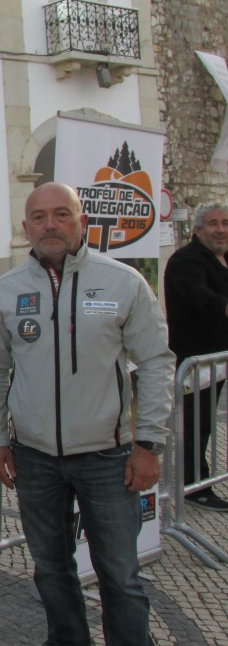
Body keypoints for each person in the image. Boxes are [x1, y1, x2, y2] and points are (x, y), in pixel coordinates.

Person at [0, 182, 175, 646]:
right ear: (25, 227)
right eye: (39, 217)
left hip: (108, 458)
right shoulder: (6, 290)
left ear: (82, 221)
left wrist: (149, 443)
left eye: (62, 214)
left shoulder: (124, 282)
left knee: (120, 574)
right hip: (34, 459)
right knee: (50, 569)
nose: (50, 224)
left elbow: (155, 361)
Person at [163, 201, 228, 511]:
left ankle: (199, 480)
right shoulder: (186, 260)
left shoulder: (223, 257)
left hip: (218, 358)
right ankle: (193, 487)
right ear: (198, 229)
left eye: (225, 223)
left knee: (206, 422)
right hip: (195, 359)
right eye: (213, 223)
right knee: (194, 423)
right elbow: (199, 295)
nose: (221, 229)